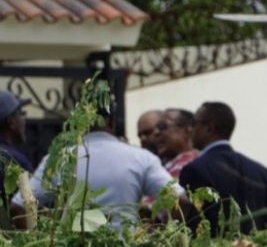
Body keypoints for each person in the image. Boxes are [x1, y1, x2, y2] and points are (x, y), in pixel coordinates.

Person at [12, 104, 179, 230]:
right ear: (113, 122)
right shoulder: (142, 158)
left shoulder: (59, 159)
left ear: (79, 123)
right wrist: (169, 236)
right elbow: (179, 199)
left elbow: (20, 206)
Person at [180, 101, 267, 236]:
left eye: (194, 123)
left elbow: (191, 225)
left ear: (209, 128)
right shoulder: (264, 174)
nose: (190, 130)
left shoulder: (195, 169)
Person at [0, 91, 31, 229]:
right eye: (21, 113)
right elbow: (32, 208)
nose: (24, 119)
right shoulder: (15, 160)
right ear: (11, 122)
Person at [154, 108, 199, 178]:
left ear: (187, 130)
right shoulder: (169, 164)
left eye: (162, 127)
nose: (156, 132)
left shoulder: (190, 166)